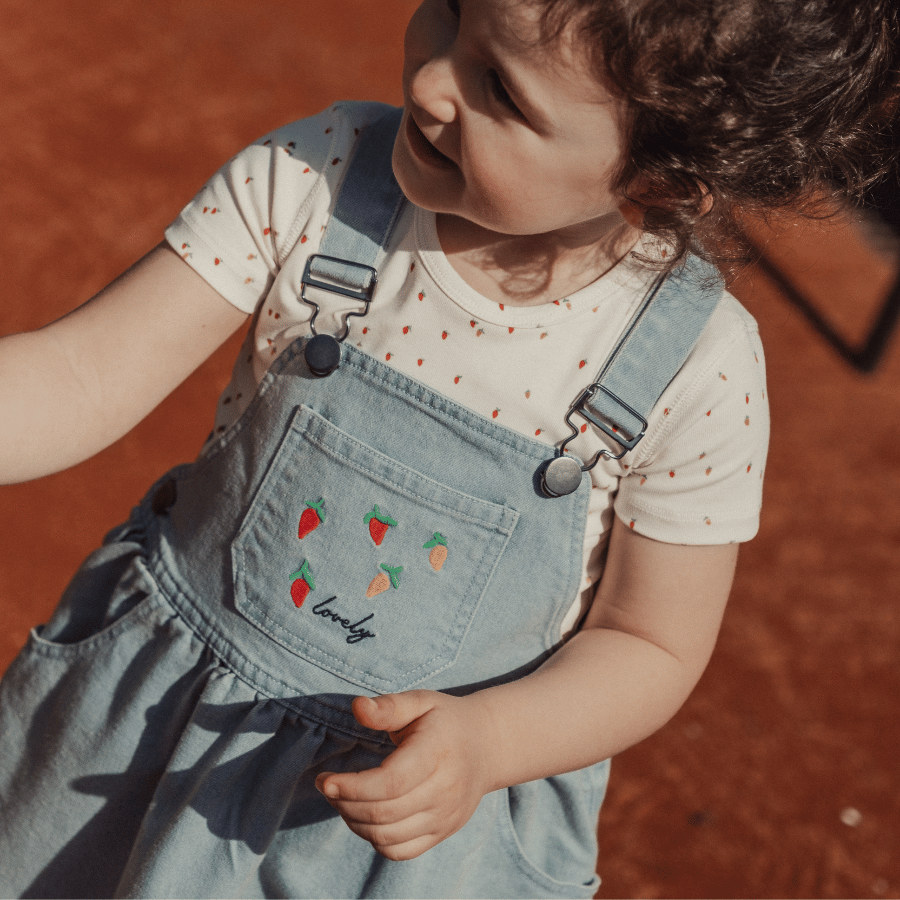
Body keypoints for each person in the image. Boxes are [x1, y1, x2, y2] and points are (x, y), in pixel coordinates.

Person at [0, 0, 895, 897]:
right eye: (451, 11)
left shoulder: (697, 368)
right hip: (138, 740)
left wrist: (493, 742)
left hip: (402, 839)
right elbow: (82, 375)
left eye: (500, 88)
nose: (432, 82)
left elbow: (649, 639)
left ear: (657, 182)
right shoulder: (322, 174)